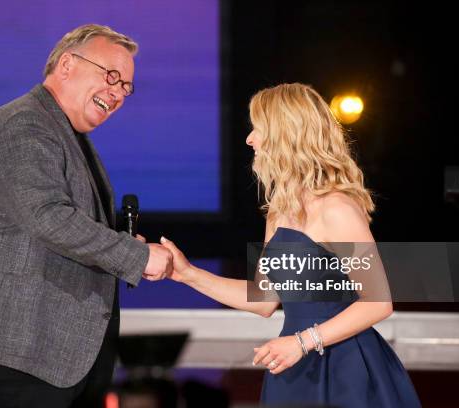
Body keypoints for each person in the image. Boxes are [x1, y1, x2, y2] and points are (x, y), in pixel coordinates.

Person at [0, 24, 173, 408]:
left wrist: (122, 243)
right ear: (67, 64)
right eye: (111, 76)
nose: (118, 93)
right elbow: (48, 217)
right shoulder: (23, 124)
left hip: (49, 355)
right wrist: (136, 257)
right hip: (13, 353)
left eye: (126, 86)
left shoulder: (62, 132)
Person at [160, 83, 421, 407]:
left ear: (285, 134)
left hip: (345, 368)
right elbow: (264, 299)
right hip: (295, 364)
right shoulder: (279, 212)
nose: (249, 139)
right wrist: (186, 274)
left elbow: (378, 302)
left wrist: (303, 341)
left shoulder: (337, 209)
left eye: (257, 128)